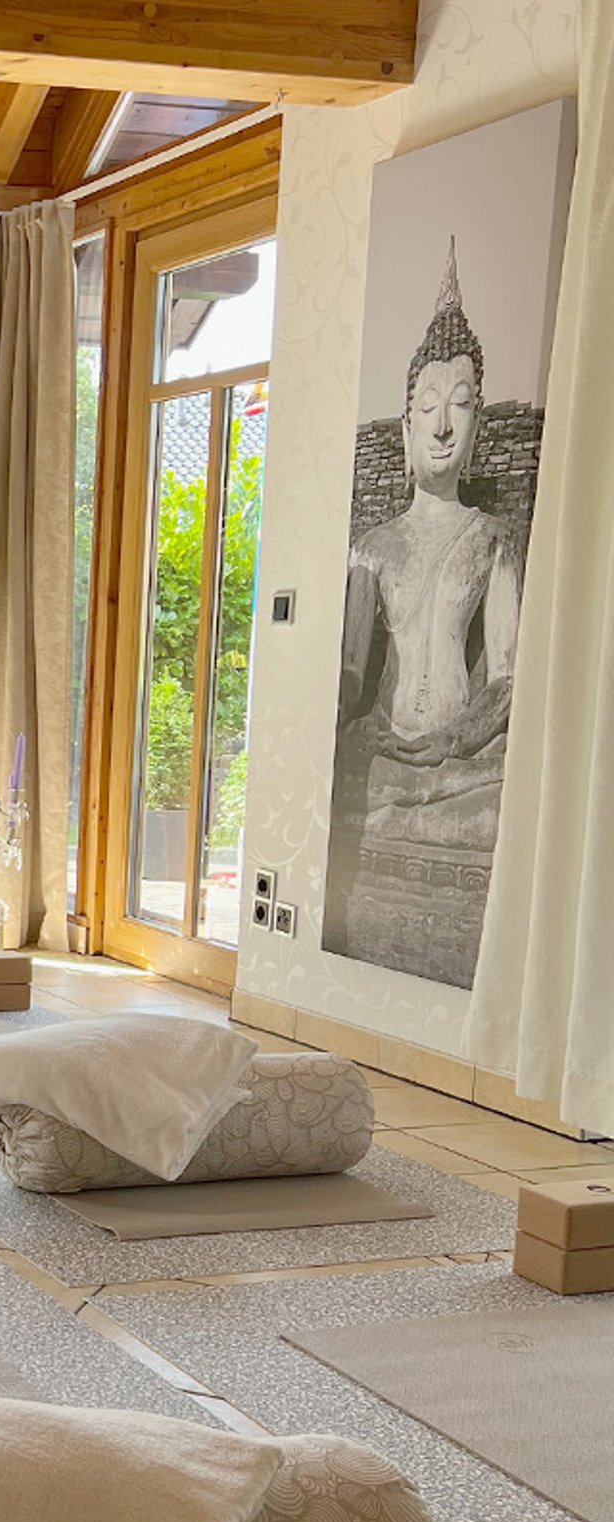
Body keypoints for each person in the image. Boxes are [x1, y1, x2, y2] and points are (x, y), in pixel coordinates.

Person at [326, 239, 521, 986]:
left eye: (461, 405)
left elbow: (505, 676)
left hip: (460, 758)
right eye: (428, 407)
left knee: (502, 802)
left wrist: (449, 744)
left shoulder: (492, 538)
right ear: (406, 428)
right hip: (383, 744)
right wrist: (341, 737)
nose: (443, 424)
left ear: (475, 430)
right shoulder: (372, 547)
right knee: (342, 771)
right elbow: (350, 669)